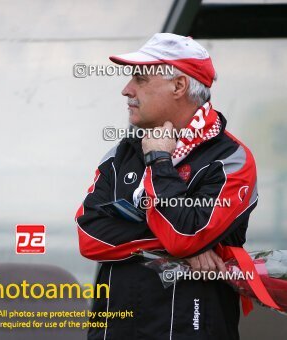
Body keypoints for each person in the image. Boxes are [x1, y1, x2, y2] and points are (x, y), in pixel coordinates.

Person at [75, 33, 258, 339]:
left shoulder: (231, 160)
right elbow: (89, 236)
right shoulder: (120, 154)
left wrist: (159, 160)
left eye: (140, 79)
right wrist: (178, 251)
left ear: (179, 86)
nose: (127, 90)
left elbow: (185, 235)